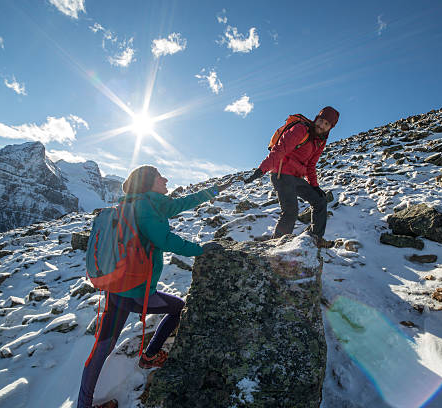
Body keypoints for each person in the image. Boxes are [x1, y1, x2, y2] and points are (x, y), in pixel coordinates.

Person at [77, 165, 231, 408]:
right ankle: (149, 355)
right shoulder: (147, 208)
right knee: (179, 307)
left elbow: (179, 204)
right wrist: (201, 249)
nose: (166, 179)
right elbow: (165, 240)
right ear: (149, 182)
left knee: (102, 348)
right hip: (136, 292)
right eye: (160, 176)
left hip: (116, 286)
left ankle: (83, 405)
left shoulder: (136, 204)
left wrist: (212, 191)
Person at [244, 106, 339, 240]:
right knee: (291, 211)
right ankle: (277, 245)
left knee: (320, 201)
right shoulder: (301, 129)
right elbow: (280, 149)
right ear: (316, 118)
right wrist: (261, 169)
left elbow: (311, 166)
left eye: (326, 124)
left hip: (296, 178)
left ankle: (315, 239)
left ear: (330, 127)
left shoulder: (320, 142)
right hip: (281, 174)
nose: (321, 125)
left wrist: (315, 186)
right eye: (321, 120)